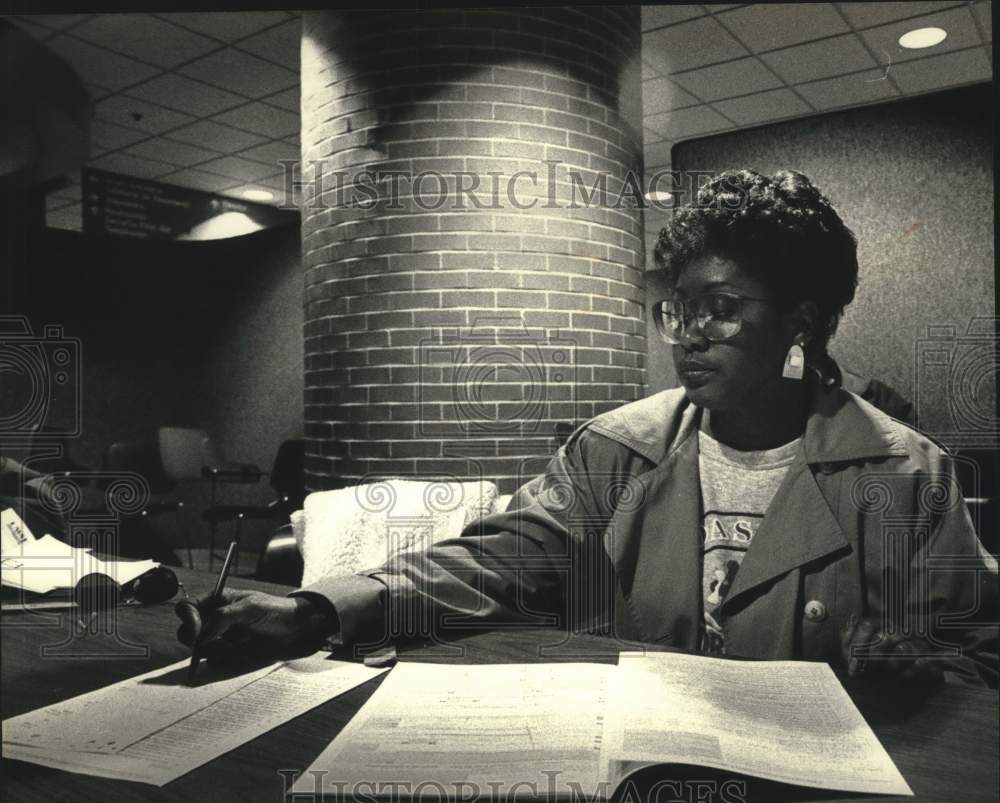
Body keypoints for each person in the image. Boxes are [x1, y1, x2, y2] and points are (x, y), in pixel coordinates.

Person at [181, 170, 998, 686]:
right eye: (678, 309)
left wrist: (925, 668)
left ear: (803, 322)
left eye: (720, 308)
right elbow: (494, 562)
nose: (687, 333)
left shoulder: (904, 475)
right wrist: (320, 608)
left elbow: (979, 652)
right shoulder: (614, 449)